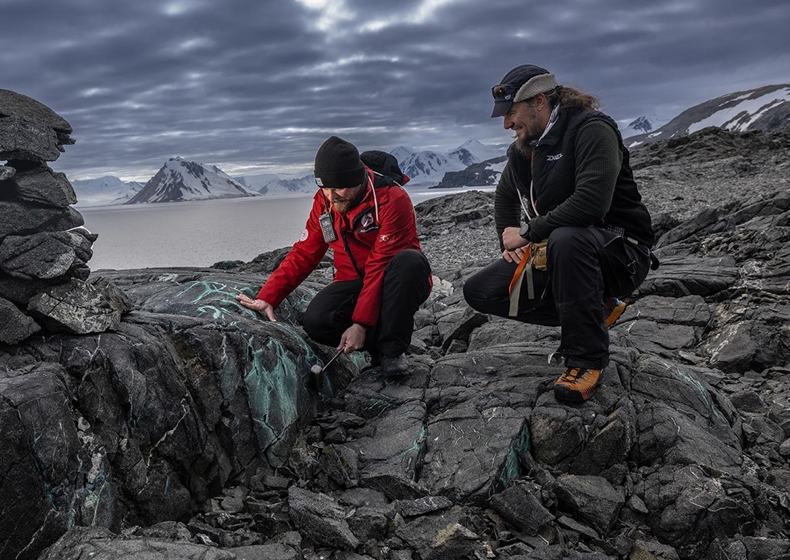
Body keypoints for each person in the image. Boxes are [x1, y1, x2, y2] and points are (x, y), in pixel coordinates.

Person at [463, 64, 655, 403]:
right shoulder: (525, 146)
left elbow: (591, 202)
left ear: (539, 101)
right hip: (565, 255)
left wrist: (528, 232)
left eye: (510, 113)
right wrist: (506, 238)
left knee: (567, 238)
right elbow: (505, 194)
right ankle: (596, 308)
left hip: (621, 251)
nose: (506, 124)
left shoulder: (592, 129)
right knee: (480, 291)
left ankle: (586, 360)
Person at [237, 136, 432, 378]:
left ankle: (391, 351)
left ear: (357, 179)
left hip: (395, 281)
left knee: (409, 262)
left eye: (338, 188)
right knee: (317, 322)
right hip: (354, 282)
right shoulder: (325, 202)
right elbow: (305, 252)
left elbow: (379, 265)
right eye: (325, 188)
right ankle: (375, 341)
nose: (331, 196)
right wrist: (268, 297)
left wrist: (360, 324)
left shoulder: (392, 199)